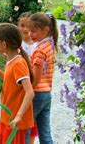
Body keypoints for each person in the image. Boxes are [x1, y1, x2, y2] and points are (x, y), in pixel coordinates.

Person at [0, 23, 35, 144]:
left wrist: (19, 116)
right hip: (8, 118)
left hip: (16, 122)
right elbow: (10, 80)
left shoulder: (18, 63)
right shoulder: (12, 60)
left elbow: (30, 92)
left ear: (4, 44)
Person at [27, 12, 58, 144]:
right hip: (46, 94)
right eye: (29, 31)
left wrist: (26, 91)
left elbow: (36, 79)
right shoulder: (50, 45)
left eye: (34, 31)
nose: (30, 35)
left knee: (25, 130)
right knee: (45, 133)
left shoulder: (40, 51)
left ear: (46, 30)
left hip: (37, 94)